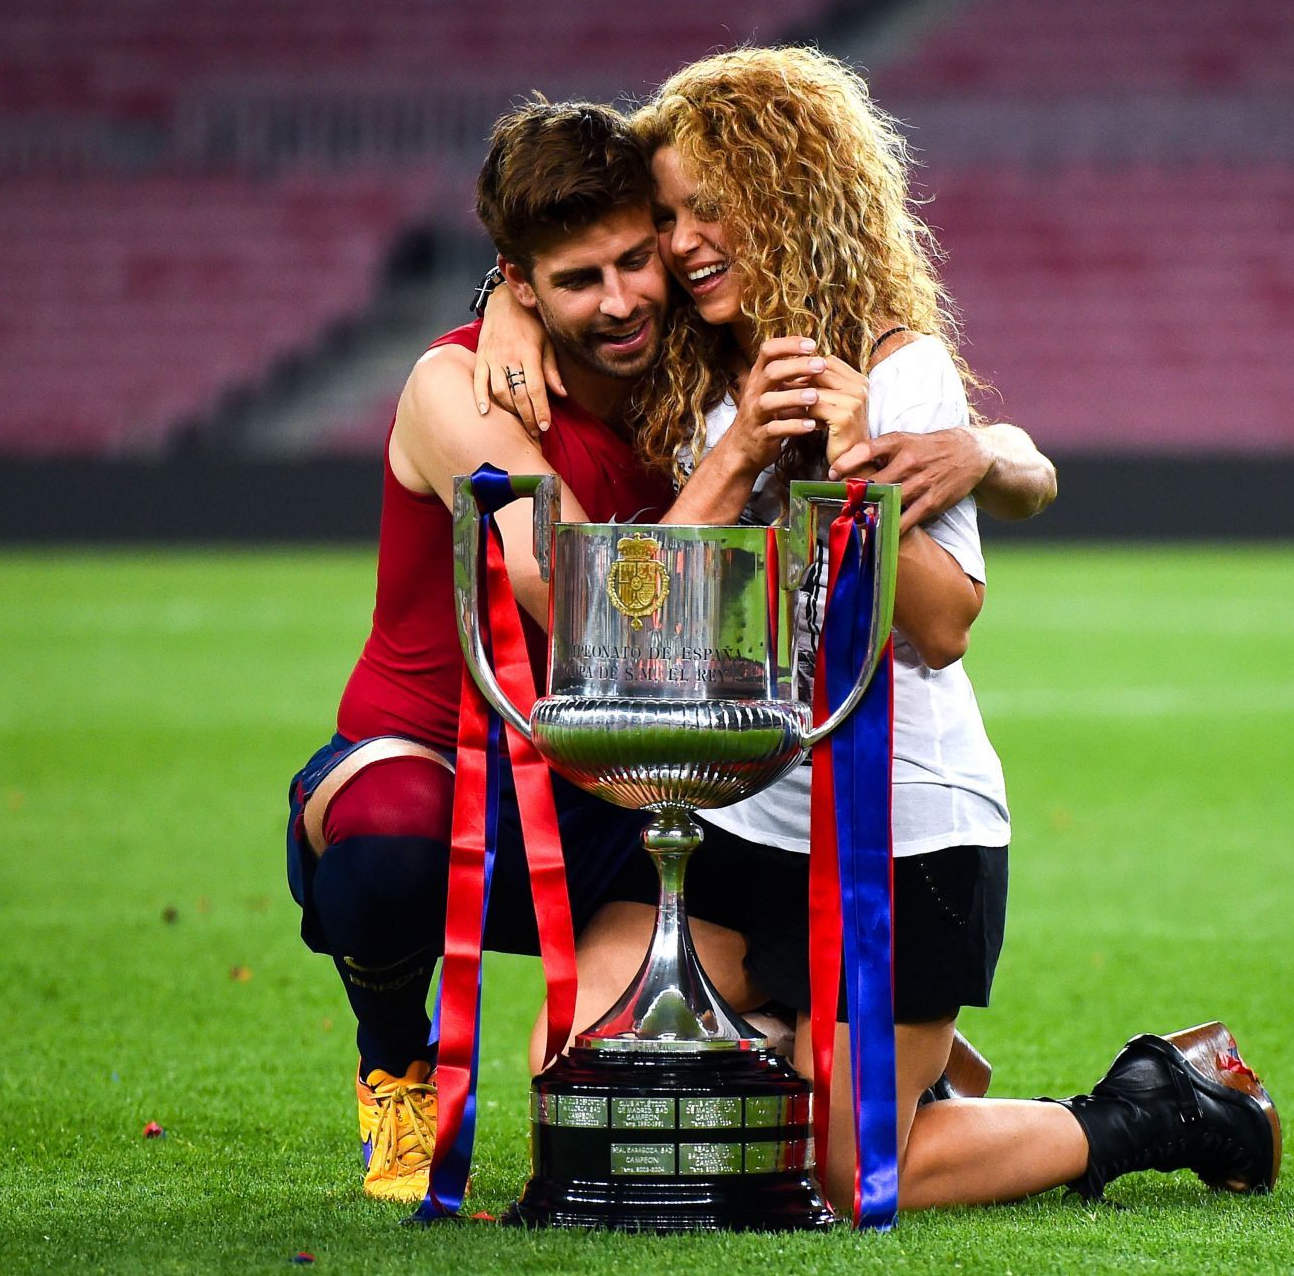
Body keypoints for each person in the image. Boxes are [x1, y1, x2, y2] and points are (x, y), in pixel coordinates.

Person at [477, 45, 1279, 1212]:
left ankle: (1152, 1105)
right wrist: (499, 307)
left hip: (901, 832)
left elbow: (949, 622)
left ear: (792, 197)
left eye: (714, 205)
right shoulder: (699, 383)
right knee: (592, 1054)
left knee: (854, 1176)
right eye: (670, 214)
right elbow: (548, 268)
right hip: (744, 821)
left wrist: (855, 470)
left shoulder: (898, 369)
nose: (686, 240)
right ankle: (887, 1059)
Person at [285, 96, 1008, 1203]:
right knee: (391, 855)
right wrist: (509, 316)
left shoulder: (695, 369)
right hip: (455, 763)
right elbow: (584, 613)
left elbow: (921, 465)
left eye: (641, 256)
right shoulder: (462, 386)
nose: (623, 298)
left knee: (685, 1070)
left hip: (628, 779)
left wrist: (999, 449)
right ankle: (396, 1059)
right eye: (579, 279)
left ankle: (887, 1048)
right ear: (519, 282)